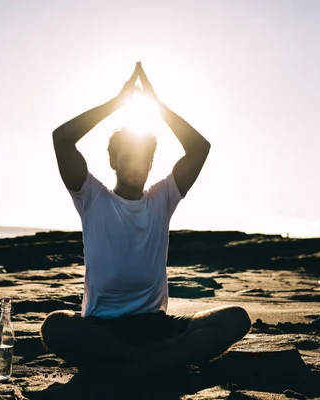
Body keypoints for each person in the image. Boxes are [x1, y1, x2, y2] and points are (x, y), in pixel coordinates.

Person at [40, 62, 251, 375]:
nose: (137, 167)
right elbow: (62, 139)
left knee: (236, 318)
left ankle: (131, 365)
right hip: (102, 327)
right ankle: (155, 362)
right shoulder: (92, 197)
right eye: (128, 158)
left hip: (155, 326)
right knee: (54, 326)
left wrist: (158, 106)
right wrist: (116, 103)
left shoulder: (162, 198)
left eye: (144, 159)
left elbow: (199, 148)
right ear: (112, 161)